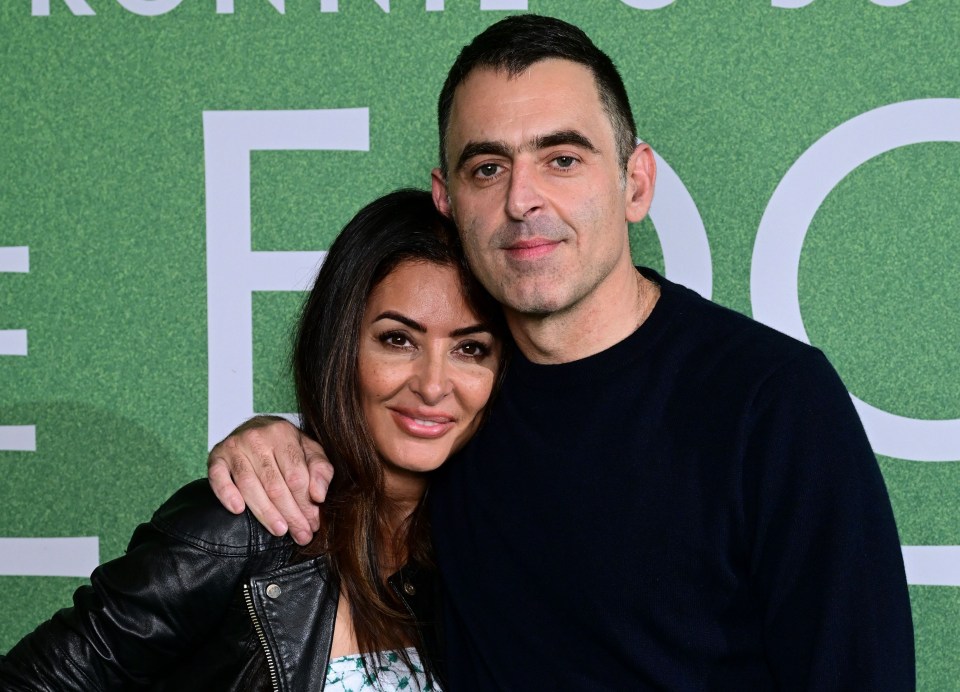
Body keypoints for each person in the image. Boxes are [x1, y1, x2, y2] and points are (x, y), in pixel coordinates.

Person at [207, 15, 916, 690]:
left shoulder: (771, 400)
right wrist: (270, 442)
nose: (523, 199)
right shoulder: (453, 408)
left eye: (562, 158)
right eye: (487, 168)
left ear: (635, 183)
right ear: (446, 200)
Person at [0, 189, 505, 691]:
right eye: (398, 339)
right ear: (340, 346)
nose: (434, 384)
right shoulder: (243, 527)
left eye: (470, 347)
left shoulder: (481, 549)